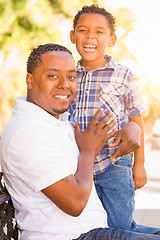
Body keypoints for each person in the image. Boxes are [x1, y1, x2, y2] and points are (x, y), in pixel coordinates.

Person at [1, 43, 160, 240]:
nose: (64, 84)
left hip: (96, 228)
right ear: (30, 80)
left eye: (70, 76)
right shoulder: (27, 130)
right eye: (52, 76)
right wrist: (88, 151)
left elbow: (113, 125)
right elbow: (75, 203)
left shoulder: (58, 120)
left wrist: (132, 128)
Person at [69, 4, 147, 230]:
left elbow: (136, 120)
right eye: (83, 30)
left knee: (119, 224)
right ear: (73, 36)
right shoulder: (70, 75)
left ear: (112, 39)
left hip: (115, 162)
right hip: (79, 164)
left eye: (99, 32)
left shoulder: (123, 74)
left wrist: (139, 166)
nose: (90, 36)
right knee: (91, 224)